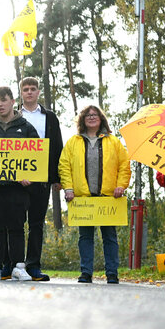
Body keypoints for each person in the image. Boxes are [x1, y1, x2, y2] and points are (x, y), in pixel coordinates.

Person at [59, 105, 131, 284]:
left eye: (95, 115)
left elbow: (124, 165)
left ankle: (112, 273)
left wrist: (121, 186)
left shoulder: (113, 141)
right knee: (85, 237)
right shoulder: (73, 142)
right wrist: (68, 188)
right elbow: (64, 166)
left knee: (109, 237)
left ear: (101, 119)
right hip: (83, 199)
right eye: (88, 115)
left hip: (108, 198)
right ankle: (85, 272)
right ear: (83, 119)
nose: (91, 117)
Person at [0, 86, 37, 282]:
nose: (0, 104)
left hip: (17, 188)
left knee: (17, 226)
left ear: (13, 101)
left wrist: (30, 176)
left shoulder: (27, 128)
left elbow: (37, 156)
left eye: (3, 100)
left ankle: (19, 266)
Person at [18, 77, 64, 281]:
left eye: (33, 89)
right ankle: (13, 265)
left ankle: (33, 266)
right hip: (16, 179)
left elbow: (57, 147)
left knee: (37, 223)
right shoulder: (13, 115)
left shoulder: (50, 117)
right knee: (15, 223)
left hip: (42, 178)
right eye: (25, 89)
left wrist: (57, 177)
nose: (29, 92)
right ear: (20, 93)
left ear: (38, 92)